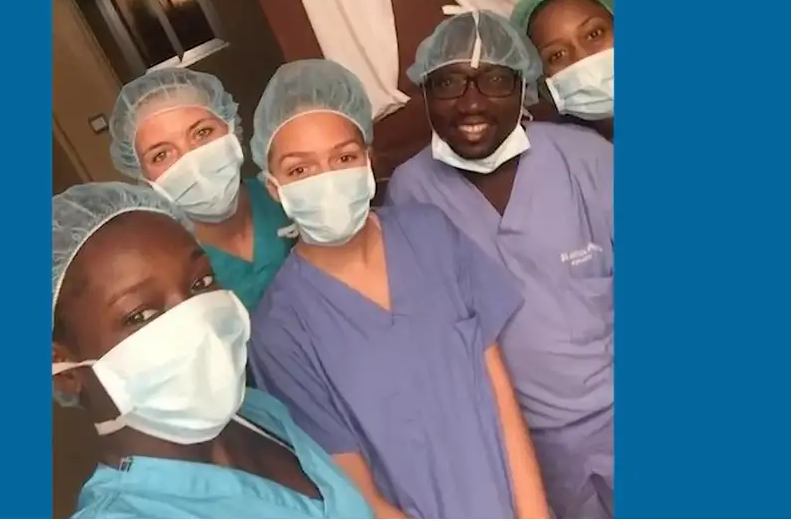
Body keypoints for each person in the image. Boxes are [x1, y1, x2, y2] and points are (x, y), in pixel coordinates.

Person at [246, 59, 550, 519]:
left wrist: (535, 514)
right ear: (273, 189)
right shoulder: (280, 330)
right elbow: (358, 493)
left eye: (343, 158)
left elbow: (500, 397)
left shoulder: (430, 234)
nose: (326, 179)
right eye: (300, 170)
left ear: (368, 160)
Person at [387, 9, 614, 519]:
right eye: (448, 83)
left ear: (524, 86)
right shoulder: (411, 191)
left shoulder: (586, 159)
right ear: (424, 92)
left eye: (494, 80)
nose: (471, 102)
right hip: (523, 443)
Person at [51, 181, 374, 519]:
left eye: (201, 282)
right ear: (65, 369)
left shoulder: (257, 413)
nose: (198, 319)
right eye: (140, 315)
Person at [109, 67, 293, 313]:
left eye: (202, 133)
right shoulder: (163, 261)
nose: (192, 161)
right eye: (161, 154)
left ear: (231, 129)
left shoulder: (288, 195)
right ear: (143, 177)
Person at [511, 0, 615, 142]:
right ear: (542, 82)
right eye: (557, 55)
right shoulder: (560, 158)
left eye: (594, 34)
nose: (583, 58)